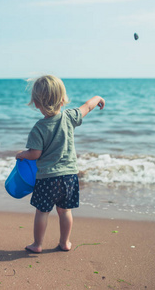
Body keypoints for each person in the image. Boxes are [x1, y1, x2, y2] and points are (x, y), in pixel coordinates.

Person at [16, 75, 105, 253]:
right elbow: (87, 106)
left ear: (36, 103)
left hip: (47, 179)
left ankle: (37, 244)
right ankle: (65, 242)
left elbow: (35, 154)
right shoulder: (70, 117)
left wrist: (22, 154)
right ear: (63, 99)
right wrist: (99, 98)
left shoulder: (39, 128)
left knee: (42, 212)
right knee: (65, 211)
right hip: (69, 177)